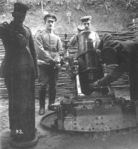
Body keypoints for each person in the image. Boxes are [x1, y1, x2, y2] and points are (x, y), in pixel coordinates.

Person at [0, 2, 38, 143]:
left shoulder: (27, 30)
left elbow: (33, 52)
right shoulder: (6, 27)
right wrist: (14, 35)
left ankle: (27, 127)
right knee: (15, 101)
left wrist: (36, 71)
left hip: (26, 73)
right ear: (13, 14)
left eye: (23, 14)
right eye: (18, 13)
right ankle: (16, 129)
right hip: (11, 71)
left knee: (27, 101)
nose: (21, 16)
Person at [90, 33, 138, 109]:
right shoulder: (108, 45)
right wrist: (98, 49)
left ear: (115, 59)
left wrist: (98, 83)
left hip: (135, 54)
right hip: (132, 44)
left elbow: (114, 75)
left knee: (134, 77)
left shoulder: (126, 59)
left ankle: (134, 102)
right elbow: (106, 35)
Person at [35, 13, 63, 115]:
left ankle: (51, 104)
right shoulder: (40, 35)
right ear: (45, 22)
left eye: (52, 22)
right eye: (48, 21)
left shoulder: (57, 38)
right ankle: (42, 106)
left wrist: (57, 60)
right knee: (42, 85)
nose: (50, 23)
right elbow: (39, 50)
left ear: (54, 23)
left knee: (53, 85)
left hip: (54, 66)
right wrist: (51, 60)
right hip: (43, 65)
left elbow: (60, 51)